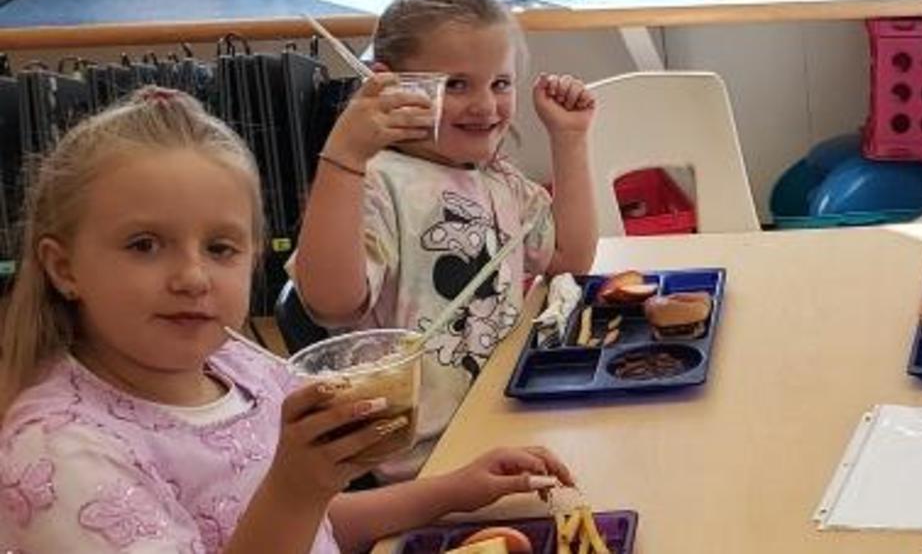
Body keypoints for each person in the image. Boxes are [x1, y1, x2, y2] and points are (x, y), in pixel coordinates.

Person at [0, 88, 577, 553]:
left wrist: (451, 492)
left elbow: (314, 526)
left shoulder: (237, 366)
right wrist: (296, 490)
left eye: (220, 248)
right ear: (64, 267)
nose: (193, 277)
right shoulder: (58, 454)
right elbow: (293, 510)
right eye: (145, 244)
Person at [292, 0, 598, 481]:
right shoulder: (375, 182)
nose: (485, 106)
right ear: (389, 84)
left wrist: (569, 139)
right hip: (424, 465)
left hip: (507, 419)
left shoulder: (497, 178)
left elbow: (569, 259)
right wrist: (343, 159)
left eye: (500, 83)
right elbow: (330, 301)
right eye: (456, 84)